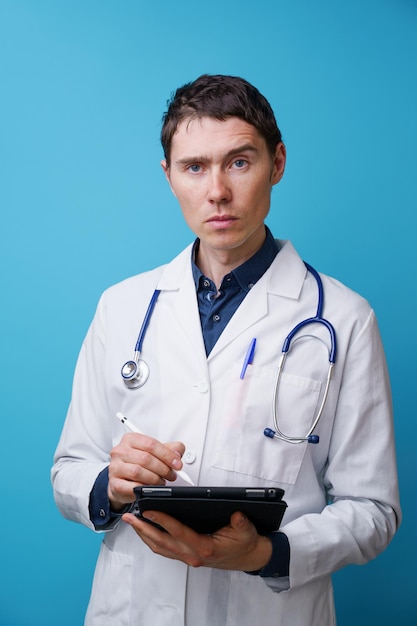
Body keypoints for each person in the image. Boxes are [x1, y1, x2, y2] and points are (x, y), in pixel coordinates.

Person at [51, 74, 401, 626]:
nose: (217, 191)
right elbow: (70, 467)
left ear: (277, 163)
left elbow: (374, 510)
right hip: (134, 608)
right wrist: (109, 485)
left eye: (239, 161)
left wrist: (265, 554)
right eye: (194, 167)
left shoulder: (344, 318)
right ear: (169, 177)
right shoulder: (121, 306)